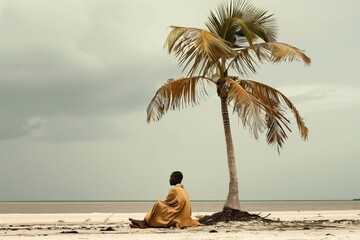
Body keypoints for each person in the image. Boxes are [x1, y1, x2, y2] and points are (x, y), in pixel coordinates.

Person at [129, 171, 201, 229]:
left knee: (158, 204)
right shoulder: (184, 189)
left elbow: (167, 203)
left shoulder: (175, 189)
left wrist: (160, 204)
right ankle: (144, 222)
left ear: (176, 179)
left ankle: (145, 222)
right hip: (184, 216)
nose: (169, 179)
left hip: (178, 216)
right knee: (160, 205)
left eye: (171, 178)